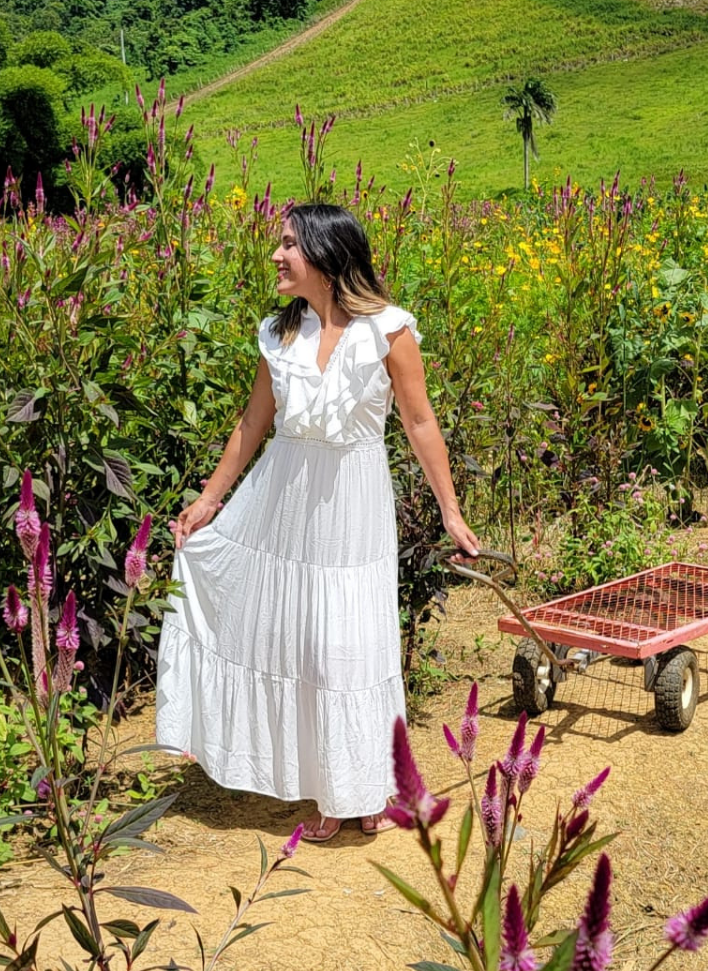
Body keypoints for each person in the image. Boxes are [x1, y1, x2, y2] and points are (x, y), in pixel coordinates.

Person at [155, 201, 480, 842]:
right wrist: (210, 500)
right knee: (304, 640)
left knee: (350, 643)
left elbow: (419, 423)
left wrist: (450, 509)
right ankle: (330, 788)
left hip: (354, 504)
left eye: (287, 246)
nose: (275, 256)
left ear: (326, 257)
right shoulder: (279, 335)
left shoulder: (389, 330)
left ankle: (362, 785)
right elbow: (253, 424)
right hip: (284, 502)